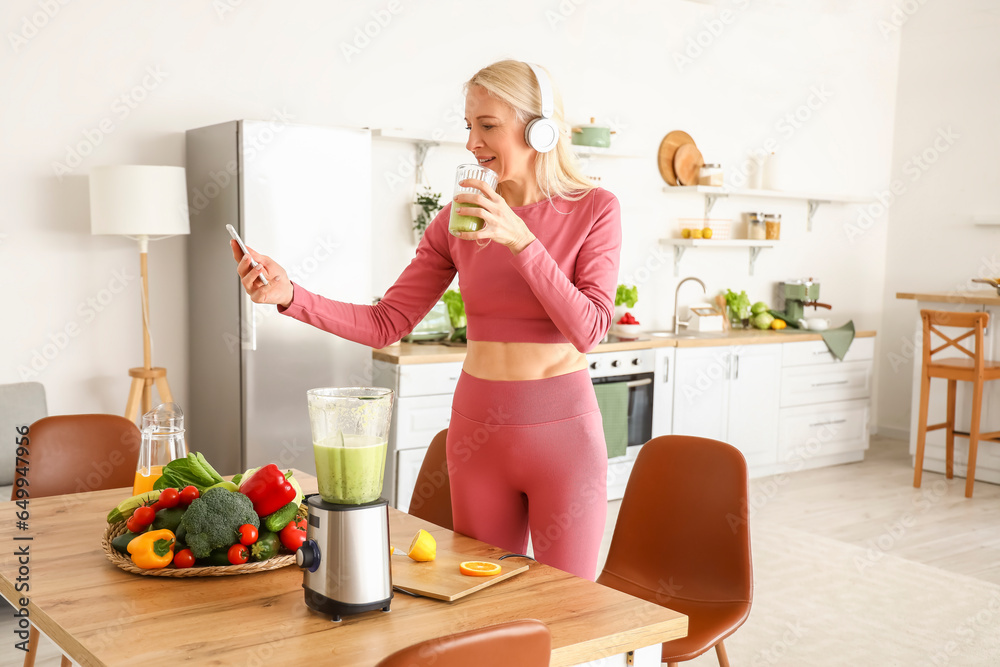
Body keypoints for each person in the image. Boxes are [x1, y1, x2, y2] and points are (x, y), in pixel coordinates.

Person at [231, 60, 621, 580]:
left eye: (487, 126)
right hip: (478, 435)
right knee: (482, 603)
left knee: (565, 608)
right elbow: (386, 322)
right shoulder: (455, 221)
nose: (472, 144)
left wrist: (521, 241)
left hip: (563, 438)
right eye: (468, 127)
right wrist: (291, 296)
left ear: (539, 129)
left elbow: (590, 328)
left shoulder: (595, 209)